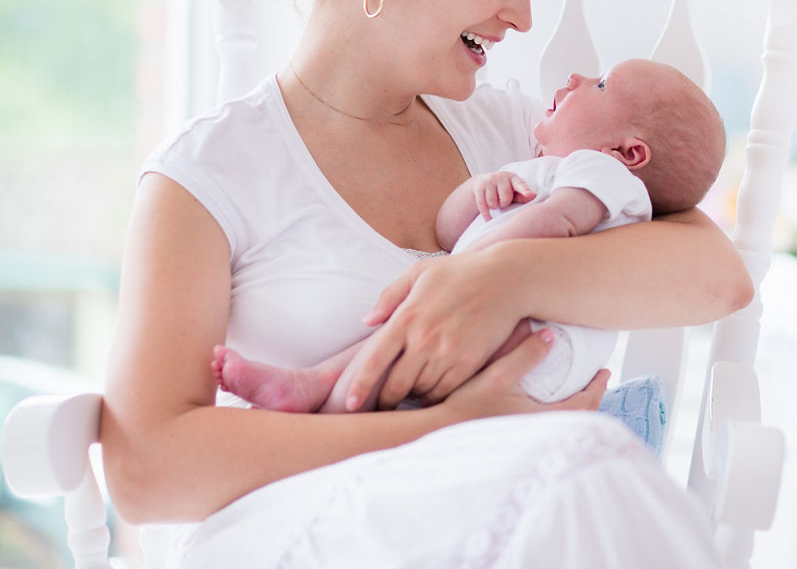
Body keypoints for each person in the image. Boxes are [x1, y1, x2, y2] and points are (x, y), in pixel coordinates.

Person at [100, 0, 750, 567]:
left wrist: (501, 279)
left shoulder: (522, 135)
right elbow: (147, 470)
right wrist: (455, 425)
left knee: (587, 479)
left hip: (500, 517)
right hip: (301, 526)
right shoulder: (208, 179)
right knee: (587, 470)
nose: (523, 18)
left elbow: (717, 277)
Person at [210, 58, 726, 412]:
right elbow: (449, 227)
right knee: (403, 339)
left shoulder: (604, 176)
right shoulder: (542, 169)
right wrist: (483, 189)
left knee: (412, 332)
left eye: (601, 86)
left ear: (629, 152)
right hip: (524, 340)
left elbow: (561, 222)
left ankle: (318, 392)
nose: (576, 76)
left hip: (541, 342)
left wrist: (473, 269)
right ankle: (315, 387)